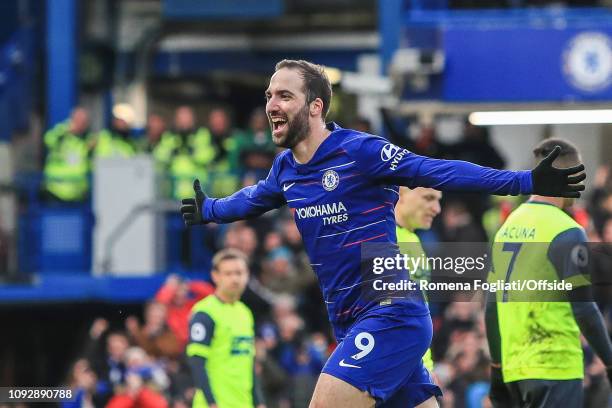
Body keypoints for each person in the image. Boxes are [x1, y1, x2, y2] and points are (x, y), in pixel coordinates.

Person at [180, 59, 585, 407]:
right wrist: (210, 209)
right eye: (269, 96)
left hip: (390, 312)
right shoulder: (285, 170)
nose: (271, 105)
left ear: (316, 106)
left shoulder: (359, 152)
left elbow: (438, 170)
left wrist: (524, 181)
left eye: (284, 96)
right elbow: (252, 199)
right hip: (353, 322)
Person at [485, 138, 612, 408]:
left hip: (515, 369)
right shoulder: (565, 229)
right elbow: (584, 308)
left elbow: (491, 307)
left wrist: (497, 368)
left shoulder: (507, 227)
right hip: (554, 365)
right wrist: (610, 361)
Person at [186, 249, 265, 408]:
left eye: (239, 273)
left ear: (247, 275)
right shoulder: (205, 312)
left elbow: (249, 363)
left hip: (244, 403)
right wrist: (211, 403)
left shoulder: (245, 313)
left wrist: (259, 402)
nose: (235, 279)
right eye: (228, 273)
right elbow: (197, 362)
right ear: (215, 276)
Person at [395, 187, 442, 374]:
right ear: (401, 193)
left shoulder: (412, 239)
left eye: (438, 200)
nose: (436, 208)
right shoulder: (385, 238)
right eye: (429, 198)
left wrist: (427, 365)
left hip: (418, 364)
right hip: (399, 365)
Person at [43, 107, 92, 201]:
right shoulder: (61, 134)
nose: (80, 124)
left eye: (83, 121)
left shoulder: (88, 140)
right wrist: (65, 130)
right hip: (54, 190)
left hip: (78, 193)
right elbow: (48, 140)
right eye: (77, 120)